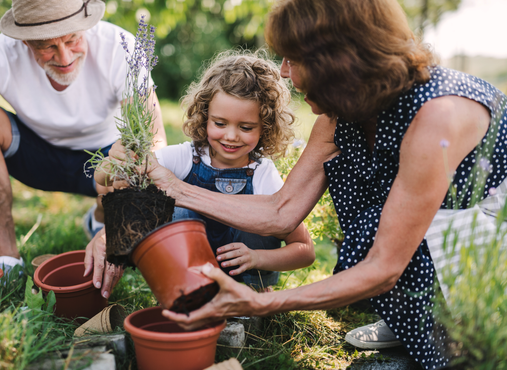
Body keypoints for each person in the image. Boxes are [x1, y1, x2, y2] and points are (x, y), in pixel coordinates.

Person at [134, 0, 507, 368]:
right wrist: (175, 188)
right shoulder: (344, 110)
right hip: (426, 234)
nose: (282, 72)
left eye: (293, 60)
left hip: (484, 245)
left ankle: (456, 327)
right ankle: (410, 323)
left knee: (468, 357)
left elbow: (383, 266)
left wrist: (263, 302)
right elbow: (282, 211)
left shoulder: (437, 117)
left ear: (339, 61)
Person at [0, 0, 166, 288]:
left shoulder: (119, 46)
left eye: (72, 39)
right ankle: (9, 260)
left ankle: (100, 218)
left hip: (103, 162)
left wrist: (114, 229)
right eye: (46, 46)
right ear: (24, 40)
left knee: (131, 157)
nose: (64, 57)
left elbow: (154, 145)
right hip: (36, 156)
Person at [95, 51, 315, 291]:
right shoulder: (185, 157)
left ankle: (256, 292)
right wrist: (114, 160)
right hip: (190, 278)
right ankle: (183, 289)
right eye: (220, 123)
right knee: (175, 210)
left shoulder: (263, 173)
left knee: (262, 217)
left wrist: (257, 258)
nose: (231, 136)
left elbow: (305, 251)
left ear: (266, 127)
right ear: (205, 117)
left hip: (244, 280)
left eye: (246, 127)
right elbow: (105, 177)